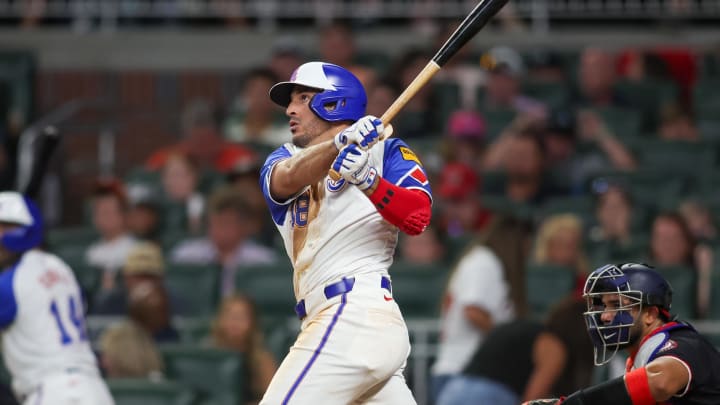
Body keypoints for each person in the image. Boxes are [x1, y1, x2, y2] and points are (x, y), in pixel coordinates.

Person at [258, 61, 432, 404]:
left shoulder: (386, 151)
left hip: (354, 312)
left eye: (303, 98)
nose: (290, 109)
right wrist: (339, 144)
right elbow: (286, 178)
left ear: (334, 102)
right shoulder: (285, 157)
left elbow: (418, 217)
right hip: (331, 321)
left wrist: (371, 181)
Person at [523, 262, 720, 405]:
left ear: (650, 314)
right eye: (604, 306)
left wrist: (576, 403)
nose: (606, 316)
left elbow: (661, 381)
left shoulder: (682, 342)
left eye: (617, 305)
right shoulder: (638, 361)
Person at [0, 192, 114, 404]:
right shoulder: (60, 267)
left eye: (7, 227)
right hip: (94, 391)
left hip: (53, 391)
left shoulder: (10, 282)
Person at [210, 294, 277, 405]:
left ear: (253, 323)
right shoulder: (208, 355)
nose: (235, 323)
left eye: (241, 317)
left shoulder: (262, 360)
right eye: (230, 316)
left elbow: (275, 399)